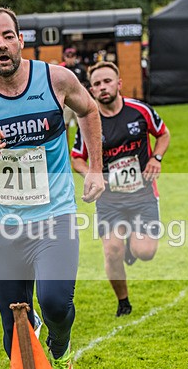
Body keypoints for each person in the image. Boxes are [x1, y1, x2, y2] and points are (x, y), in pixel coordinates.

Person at [0, 5, 105, 369]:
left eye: (8, 36)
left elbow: (89, 110)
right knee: (14, 330)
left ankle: (61, 347)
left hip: (55, 218)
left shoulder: (55, 79)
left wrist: (95, 169)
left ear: (21, 40)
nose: (2, 45)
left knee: (55, 302)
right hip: (5, 228)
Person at [70, 62, 170, 317]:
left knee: (144, 252)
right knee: (111, 250)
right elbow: (77, 158)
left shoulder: (140, 110)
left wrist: (155, 159)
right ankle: (123, 302)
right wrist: (93, 174)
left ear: (118, 84)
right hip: (110, 199)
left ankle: (131, 247)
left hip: (143, 194)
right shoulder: (88, 122)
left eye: (107, 81)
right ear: (90, 90)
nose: (103, 88)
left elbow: (163, 134)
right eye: (97, 84)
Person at [60, 47, 89, 128]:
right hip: (66, 102)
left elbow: (88, 83)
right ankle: (67, 141)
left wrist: (83, 85)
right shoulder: (61, 69)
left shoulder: (81, 68)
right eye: (68, 56)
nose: (70, 59)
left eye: (72, 56)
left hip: (79, 101)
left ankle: (80, 140)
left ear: (75, 57)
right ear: (64, 57)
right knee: (65, 125)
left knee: (81, 125)